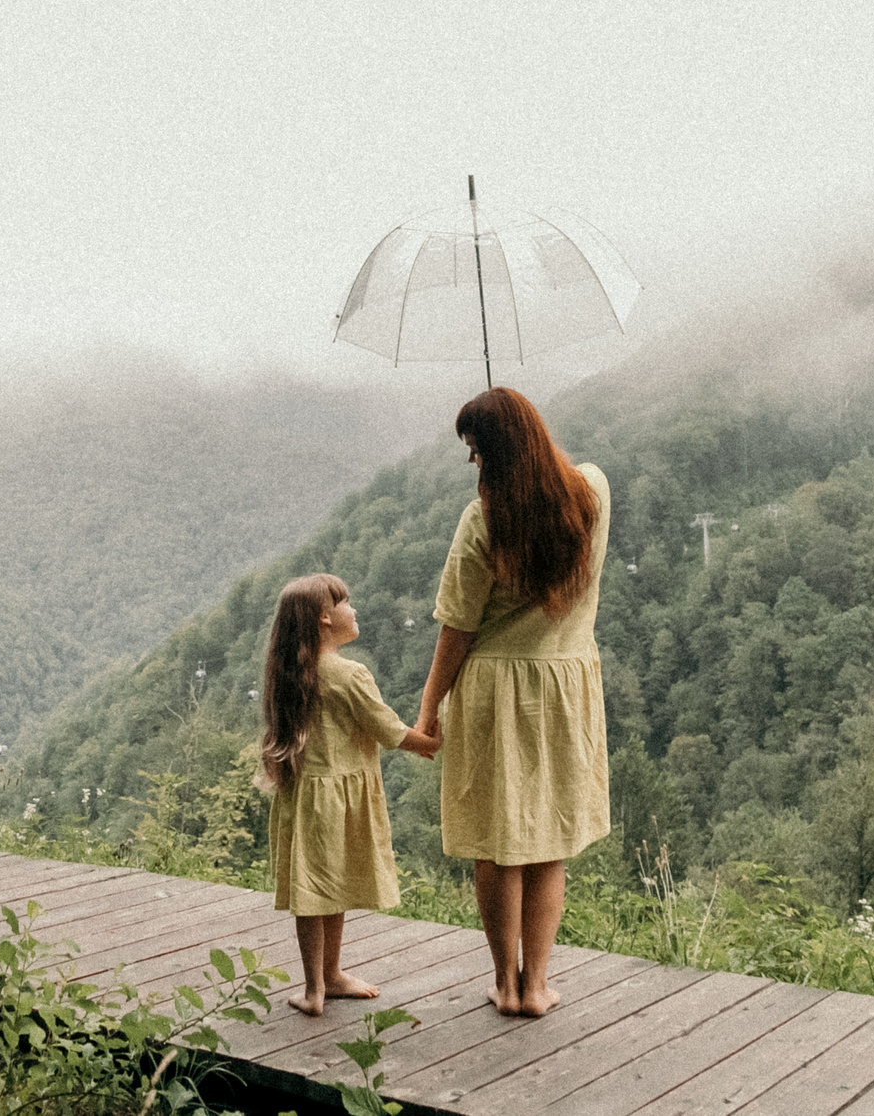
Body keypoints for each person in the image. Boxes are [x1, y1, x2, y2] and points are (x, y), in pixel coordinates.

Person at [411, 387, 611, 1017]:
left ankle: (504, 980)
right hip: (562, 688)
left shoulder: (483, 522)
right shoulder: (593, 494)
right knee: (547, 838)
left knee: (498, 845)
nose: (474, 465)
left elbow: (457, 628)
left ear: (496, 455)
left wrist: (427, 709)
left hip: (495, 693)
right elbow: (559, 477)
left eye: (477, 452)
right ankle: (537, 984)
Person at [257, 571, 441, 1016]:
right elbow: (388, 729)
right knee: (330, 886)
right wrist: (433, 742)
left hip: (304, 799)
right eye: (346, 603)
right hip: (339, 798)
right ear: (325, 618)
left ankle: (318, 985)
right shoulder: (349, 675)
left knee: (316, 890)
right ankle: (327, 980)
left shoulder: (291, 673)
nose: (354, 610)